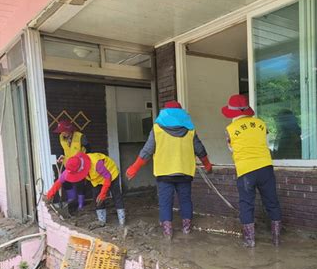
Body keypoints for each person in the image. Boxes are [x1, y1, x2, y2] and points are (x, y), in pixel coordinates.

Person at [125, 101, 212, 239]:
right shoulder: (190, 129)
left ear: (164, 112)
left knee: (165, 203)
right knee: (185, 201)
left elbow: (147, 150)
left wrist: (134, 167)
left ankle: (168, 233)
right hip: (184, 172)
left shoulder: (157, 129)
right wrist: (207, 165)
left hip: (164, 172)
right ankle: (187, 229)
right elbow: (200, 149)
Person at [222, 94, 282, 247]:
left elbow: (231, 149)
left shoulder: (230, 129)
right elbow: (266, 142)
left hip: (246, 170)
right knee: (272, 201)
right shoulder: (261, 124)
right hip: (265, 167)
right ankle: (276, 239)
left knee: (246, 203)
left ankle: (250, 241)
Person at [46, 152, 125, 227]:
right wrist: (50, 194)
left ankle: (122, 222)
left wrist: (103, 193)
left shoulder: (97, 164)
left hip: (111, 174)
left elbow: (108, 177)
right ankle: (102, 221)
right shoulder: (73, 167)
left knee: (116, 196)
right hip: (96, 179)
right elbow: (60, 181)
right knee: (97, 199)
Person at [53, 120, 90, 212]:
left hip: (80, 165)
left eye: (63, 131)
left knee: (80, 183)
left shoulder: (81, 137)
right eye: (61, 131)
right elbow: (62, 149)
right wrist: (60, 156)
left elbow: (89, 149)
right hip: (68, 164)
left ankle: (81, 204)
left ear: (69, 130)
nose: (62, 133)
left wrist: (85, 160)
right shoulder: (61, 137)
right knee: (65, 181)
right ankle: (72, 201)